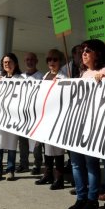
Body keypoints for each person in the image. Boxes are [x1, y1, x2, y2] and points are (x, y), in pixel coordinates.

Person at [67, 39, 105, 209]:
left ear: (98, 53)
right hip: (78, 125)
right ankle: (81, 197)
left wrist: (103, 80)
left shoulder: (104, 71)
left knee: (91, 164)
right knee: (76, 164)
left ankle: (92, 200)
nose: (83, 53)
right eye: (82, 50)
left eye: (88, 50)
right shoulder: (82, 73)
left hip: (93, 126)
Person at [34, 49, 66, 190]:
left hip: (57, 117)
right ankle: (48, 174)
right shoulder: (46, 75)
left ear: (60, 61)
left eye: (55, 59)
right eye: (49, 60)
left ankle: (59, 178)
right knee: (47, 148)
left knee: (57, 150)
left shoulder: (64, 76)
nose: (51, 62)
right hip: (46, 117)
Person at [0, 53, 23, 181]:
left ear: (15, 63)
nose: (7, 64)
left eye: (9, 62)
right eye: (4, 62)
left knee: (11, 144)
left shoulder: (21, 79)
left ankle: (10, 170)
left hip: (12, 118)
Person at [17, 52, 44, 175]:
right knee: (22, 142)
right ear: (24, 61)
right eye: (27, 59)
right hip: (22, 115)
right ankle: (24, 164)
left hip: (36, 115)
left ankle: (37, 165)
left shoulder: (41, 77)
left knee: (36, 143)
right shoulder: (20, 77)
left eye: (32, 59)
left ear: (36, 61)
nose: (30, 61)